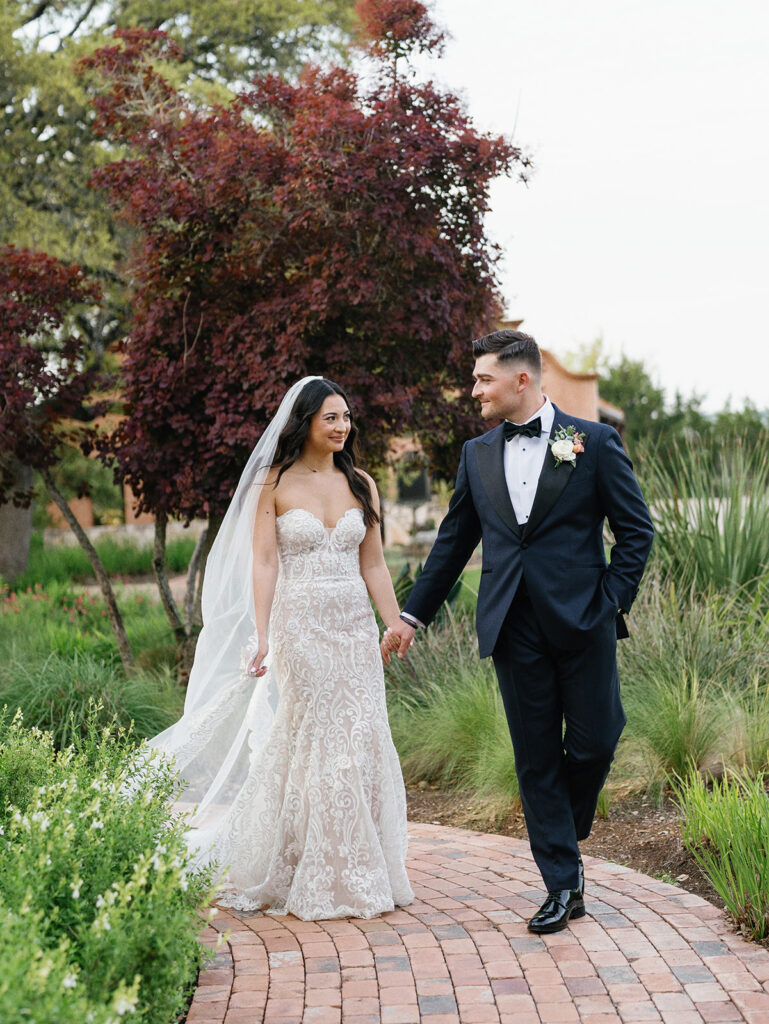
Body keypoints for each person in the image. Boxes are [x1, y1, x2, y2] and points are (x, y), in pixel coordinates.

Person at [385, 330, 653, 934]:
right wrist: (411, 615)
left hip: (584, 621)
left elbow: (636, 533)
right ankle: (563, 882)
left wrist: (610, 602)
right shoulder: (476, 455)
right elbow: (452, 545)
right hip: (511, 625)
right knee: (535, 759)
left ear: (522, 379)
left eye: (483, 378)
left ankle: (561, 827)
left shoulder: (593, 442)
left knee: (595, 741)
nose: (474, 388)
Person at [148, 376, 414, 921]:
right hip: (301, 628)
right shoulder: (271, 484)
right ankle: (315, 869)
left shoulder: (362, 483)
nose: (342, 427)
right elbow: (265, 562)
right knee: (320, 739)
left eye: (346, 417)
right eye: (331, 418)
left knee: (361, 736)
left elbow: (374, 563)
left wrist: (392, 623)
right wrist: (264, 634)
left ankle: (360, 866)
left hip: (353, 630)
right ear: (305, 424)